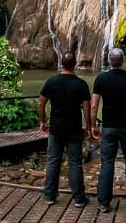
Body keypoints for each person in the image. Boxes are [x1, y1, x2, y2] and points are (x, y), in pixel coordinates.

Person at [91, 47, 126, 212]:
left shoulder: (101, 79)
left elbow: (94, 106)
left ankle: (103, 202)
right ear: (123, 61)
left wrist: (92, 125)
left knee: (107, 163)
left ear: (109, 61)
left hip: (108, 127)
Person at [39, 51, 91, 207]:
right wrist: (89, 127)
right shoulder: (81, 84)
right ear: (75, 65)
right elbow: (87, 109)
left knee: (53, 162)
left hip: (55, 128)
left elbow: (41, 102)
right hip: (74, 129)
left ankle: (49, 196)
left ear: (61, 63)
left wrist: (42, 121)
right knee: (75, 163)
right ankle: (79, 199)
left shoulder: (52, 81)